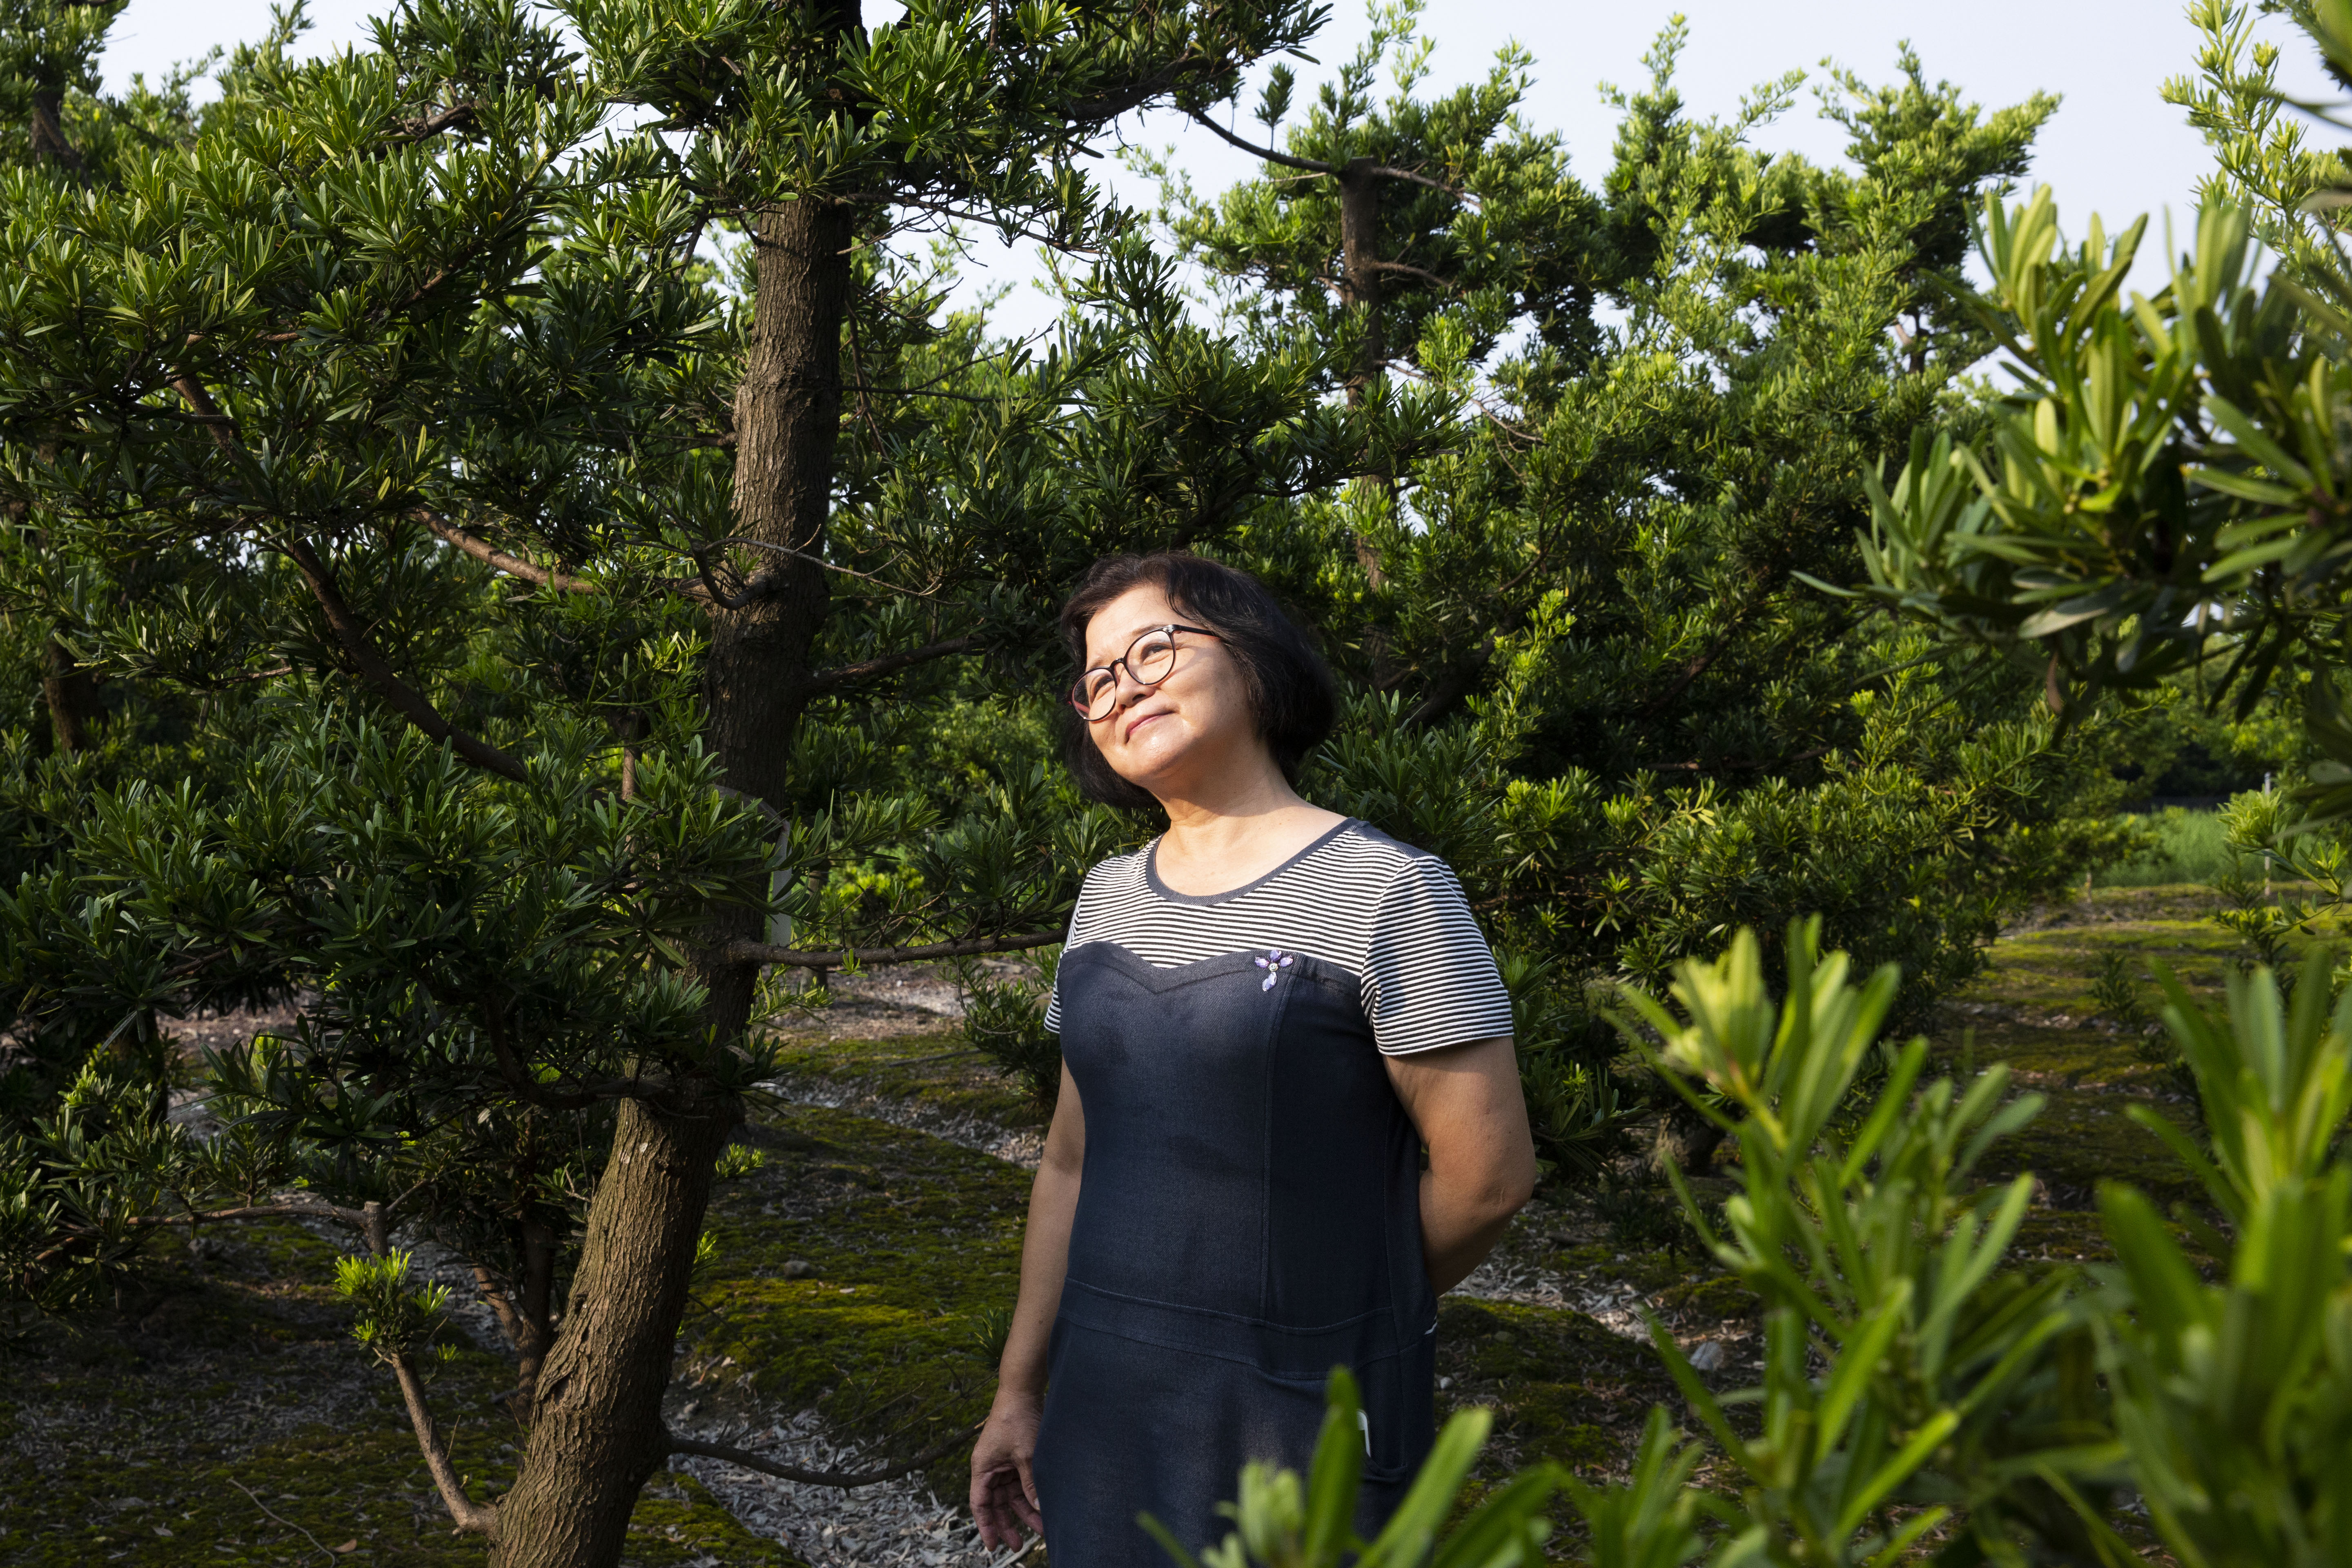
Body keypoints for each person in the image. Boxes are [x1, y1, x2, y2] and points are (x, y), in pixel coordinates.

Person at [967, 552, 1538, 1566]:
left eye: (1153, 648)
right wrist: (1020, 1390)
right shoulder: (1104, 896)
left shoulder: (1388, 889)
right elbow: (1069, 1159)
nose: (1122, 687)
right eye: (1097, 679)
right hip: (1105, 1408)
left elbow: (1488, 1181)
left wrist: (1329, 1321)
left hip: (1291, 1418)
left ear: (1253, 658)